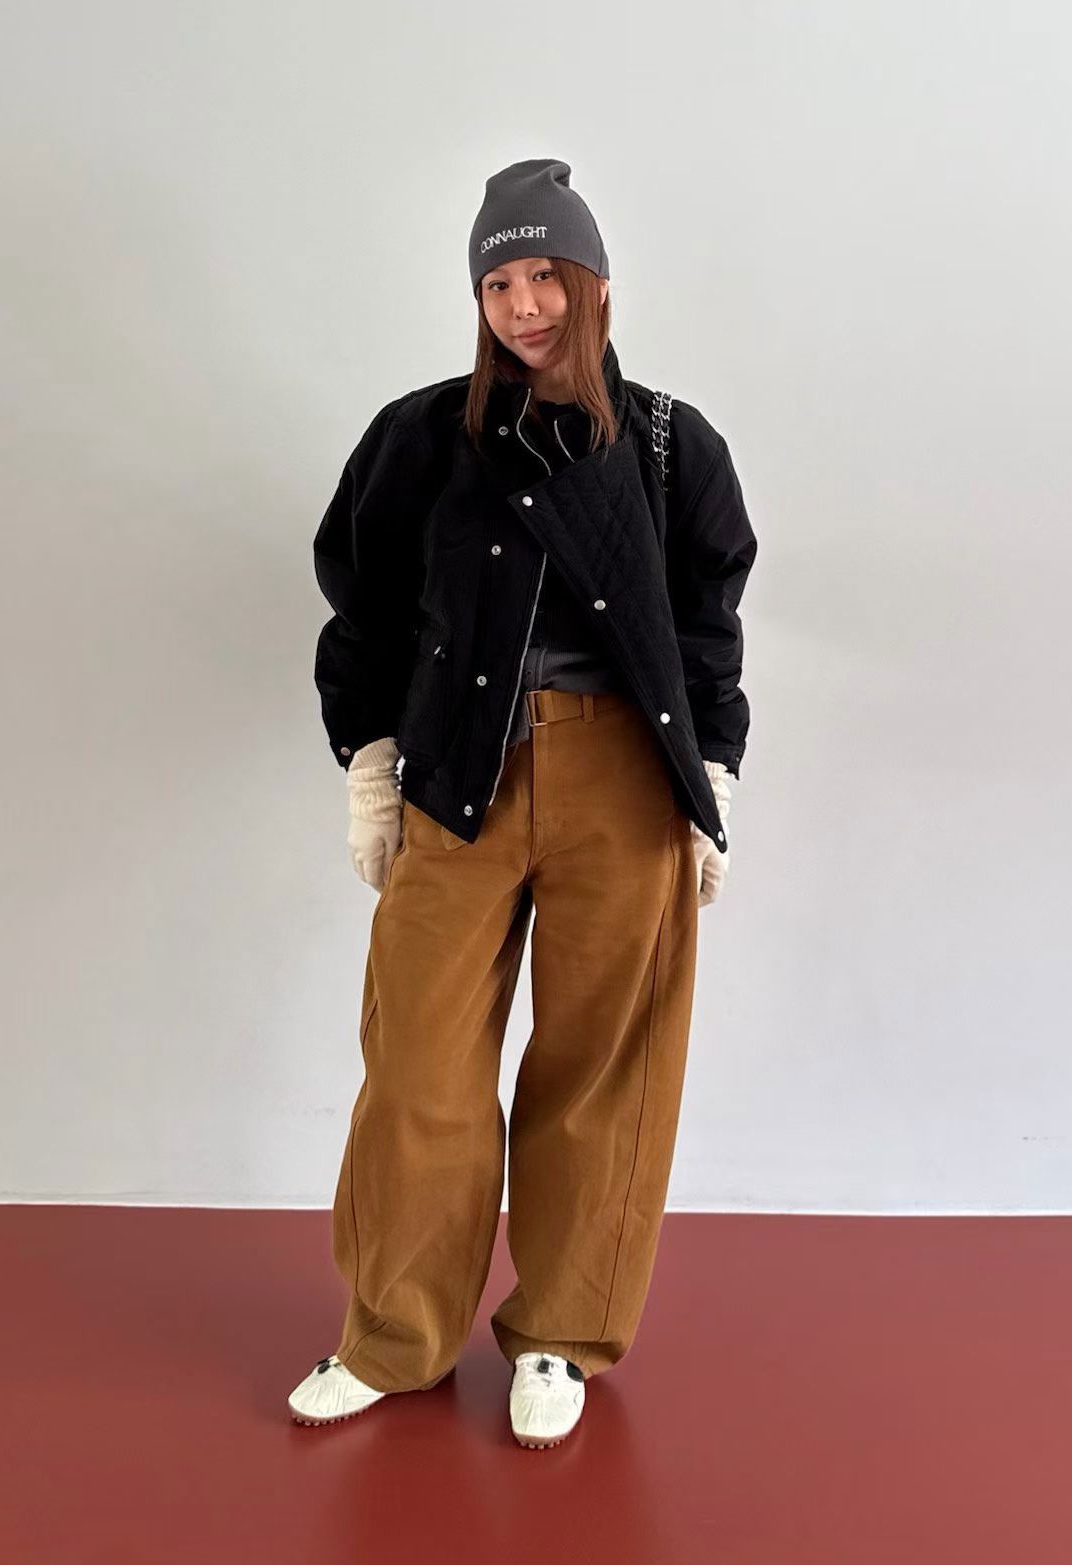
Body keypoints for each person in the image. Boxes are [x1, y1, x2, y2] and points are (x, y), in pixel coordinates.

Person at [288, 158, 757, 1448]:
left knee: (604, 1065)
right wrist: (371, 765)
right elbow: (366, 613)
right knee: (417, 1062)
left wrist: (711, 775)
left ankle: (561, 1333)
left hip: (627, 783)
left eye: (547, 274)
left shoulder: (670, 445)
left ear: (595, 284)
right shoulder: (418, 436)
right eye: (499, 281)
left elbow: (708, 627)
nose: (524, 305)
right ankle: (393, 1336)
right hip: (460, 772)